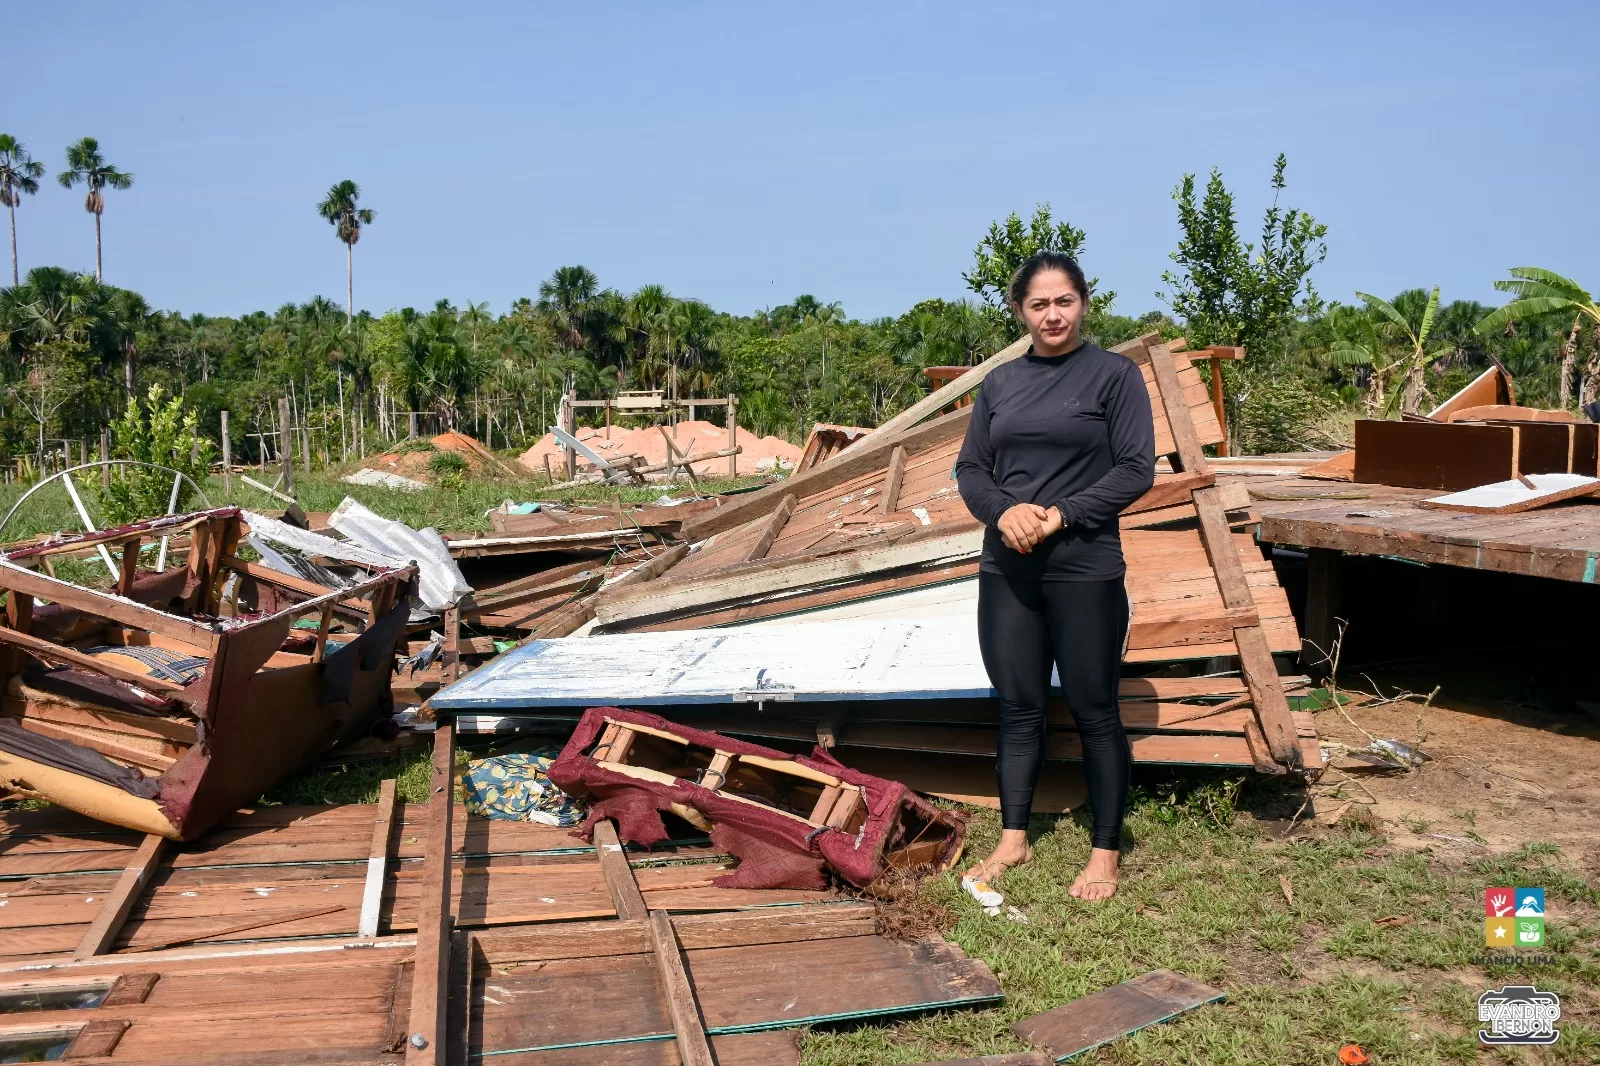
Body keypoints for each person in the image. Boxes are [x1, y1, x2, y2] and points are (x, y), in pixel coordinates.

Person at [953, 251, 1155, 902]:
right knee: (1018, 709)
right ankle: (1013, 838)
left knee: (1095, 711)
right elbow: (972, 471)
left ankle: (1104, 853)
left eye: (1062, 301)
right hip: (1008, 566)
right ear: (1020, 313)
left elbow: (1134, 469)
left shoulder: (1114, 377)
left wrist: (1062, 514)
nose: (1052, 314)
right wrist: (1005, 511)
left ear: (1084, 303)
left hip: (1085, 567)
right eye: (1038, 304)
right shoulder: (1001, 386)